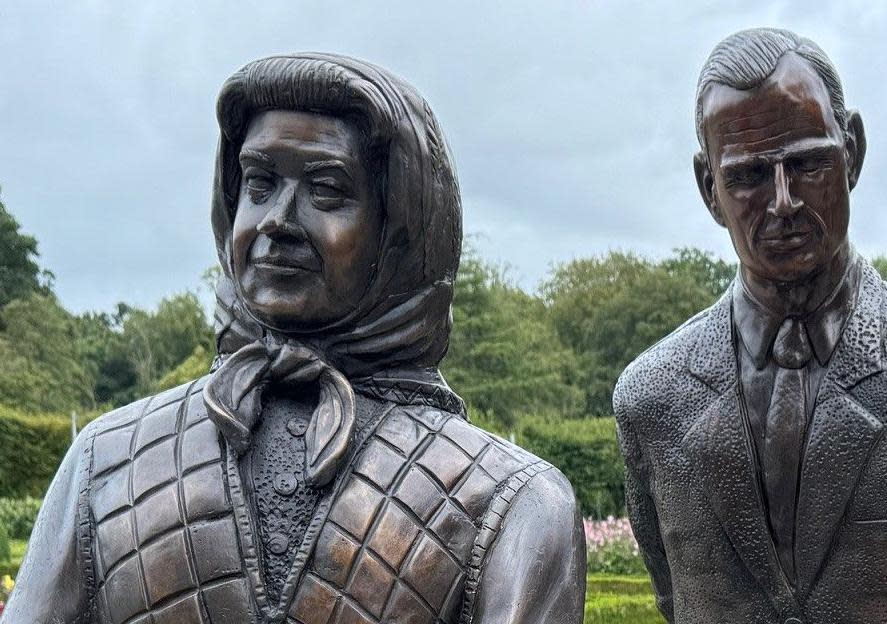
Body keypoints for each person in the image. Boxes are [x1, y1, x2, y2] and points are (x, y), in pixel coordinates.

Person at [4, 53, 585, 624]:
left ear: (400, 229)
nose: (276, 220)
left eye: (327, 190)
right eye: (259, 183)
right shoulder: (104, 462)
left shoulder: (512, 502)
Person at [613, 28, 887, 624]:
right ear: (708, 187)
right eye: (748, 175)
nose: (784, 200)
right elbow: (675, 593)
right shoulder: (650, 399)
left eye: (807, 163)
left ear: (854, 153)